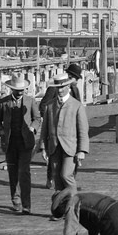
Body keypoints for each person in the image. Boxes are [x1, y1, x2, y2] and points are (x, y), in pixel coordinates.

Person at [0, 75, 41, 214]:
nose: (20, 92)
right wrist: (1, 131)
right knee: (12, 173)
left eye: (22, 89)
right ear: (12, 89)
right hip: (10, 143)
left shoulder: (30, 101)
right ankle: (16, 200)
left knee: (24, 172)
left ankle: (26, 204)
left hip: (25, 143)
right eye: (17, 90)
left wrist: (33, 128)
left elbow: (37, 118)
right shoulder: (3, 102)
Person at [41, 74, 89, 202]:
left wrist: (82, 150)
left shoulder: (77, 106)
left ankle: (72, 205)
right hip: (54, 147)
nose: (60, 90)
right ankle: (60, 207)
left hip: (70, 148)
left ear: (68, 86)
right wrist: (43, 148)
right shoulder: (50, 105)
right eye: (58, 88)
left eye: (62, 87)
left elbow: (83, 130)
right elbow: (45, 129)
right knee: (57, 178)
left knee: (66, 175)